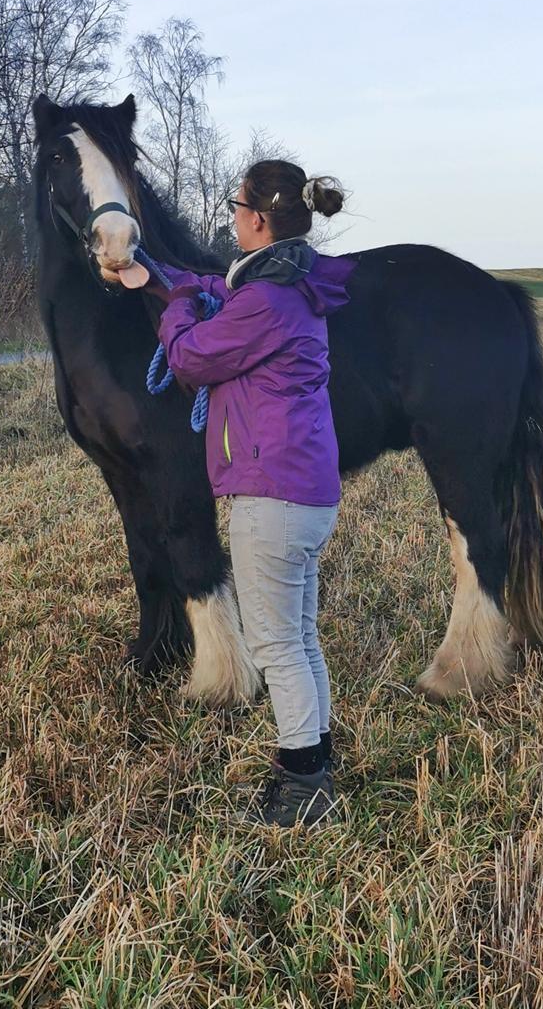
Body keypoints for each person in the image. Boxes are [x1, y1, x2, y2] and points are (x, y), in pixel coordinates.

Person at [116, 160, 354, 826]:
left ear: (257, 218)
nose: (229, 216)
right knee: (298, 638)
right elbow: (216, 286)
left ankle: (303, 789)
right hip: (304, 493)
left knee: (276, 643)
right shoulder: (290, 286)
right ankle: (313, 762)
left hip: (271, 496)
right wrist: (162, 279)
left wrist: (176, 308)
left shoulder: (268, 303)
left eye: (235, 206)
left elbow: (192, 355)